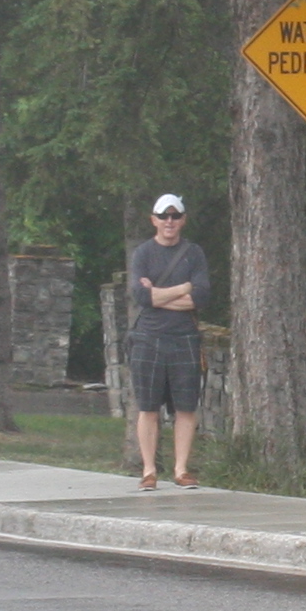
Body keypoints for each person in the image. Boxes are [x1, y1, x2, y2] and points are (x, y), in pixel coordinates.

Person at [125, 193, 209, 489]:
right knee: (148, 406)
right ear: (154, 220)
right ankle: (149, 471)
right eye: (163, 216)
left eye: (175, 216)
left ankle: (181, 469)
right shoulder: (143, 254)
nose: (169, 221)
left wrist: (160, 295)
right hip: (148, 337)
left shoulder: (194, 253)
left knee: (185, 406)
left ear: (183, 219)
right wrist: (182, 288)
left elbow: (199, 297)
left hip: (184, 336)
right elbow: (141, 297)